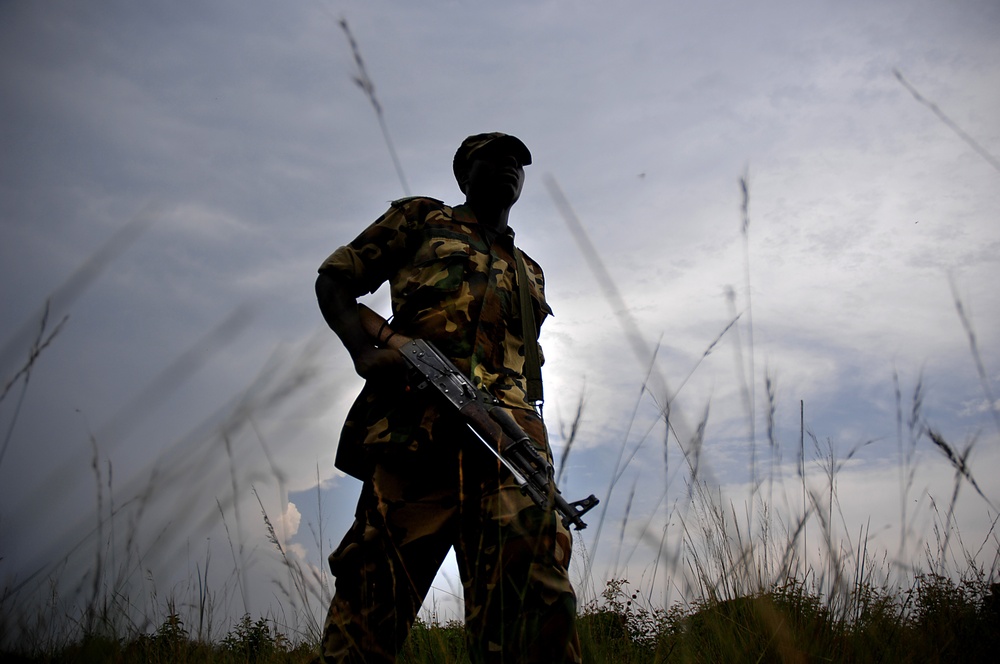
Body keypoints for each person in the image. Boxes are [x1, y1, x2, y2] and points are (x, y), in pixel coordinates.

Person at [314, 133, 582, 663]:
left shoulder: (530, 269)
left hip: (509, 447)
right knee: (371, 605)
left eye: (517, 164)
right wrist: (364, 351)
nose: (508, 167)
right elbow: (336, 279)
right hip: (416, 434)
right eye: (493, 159)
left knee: (534, 606)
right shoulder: (422, 219)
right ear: (463, 175)